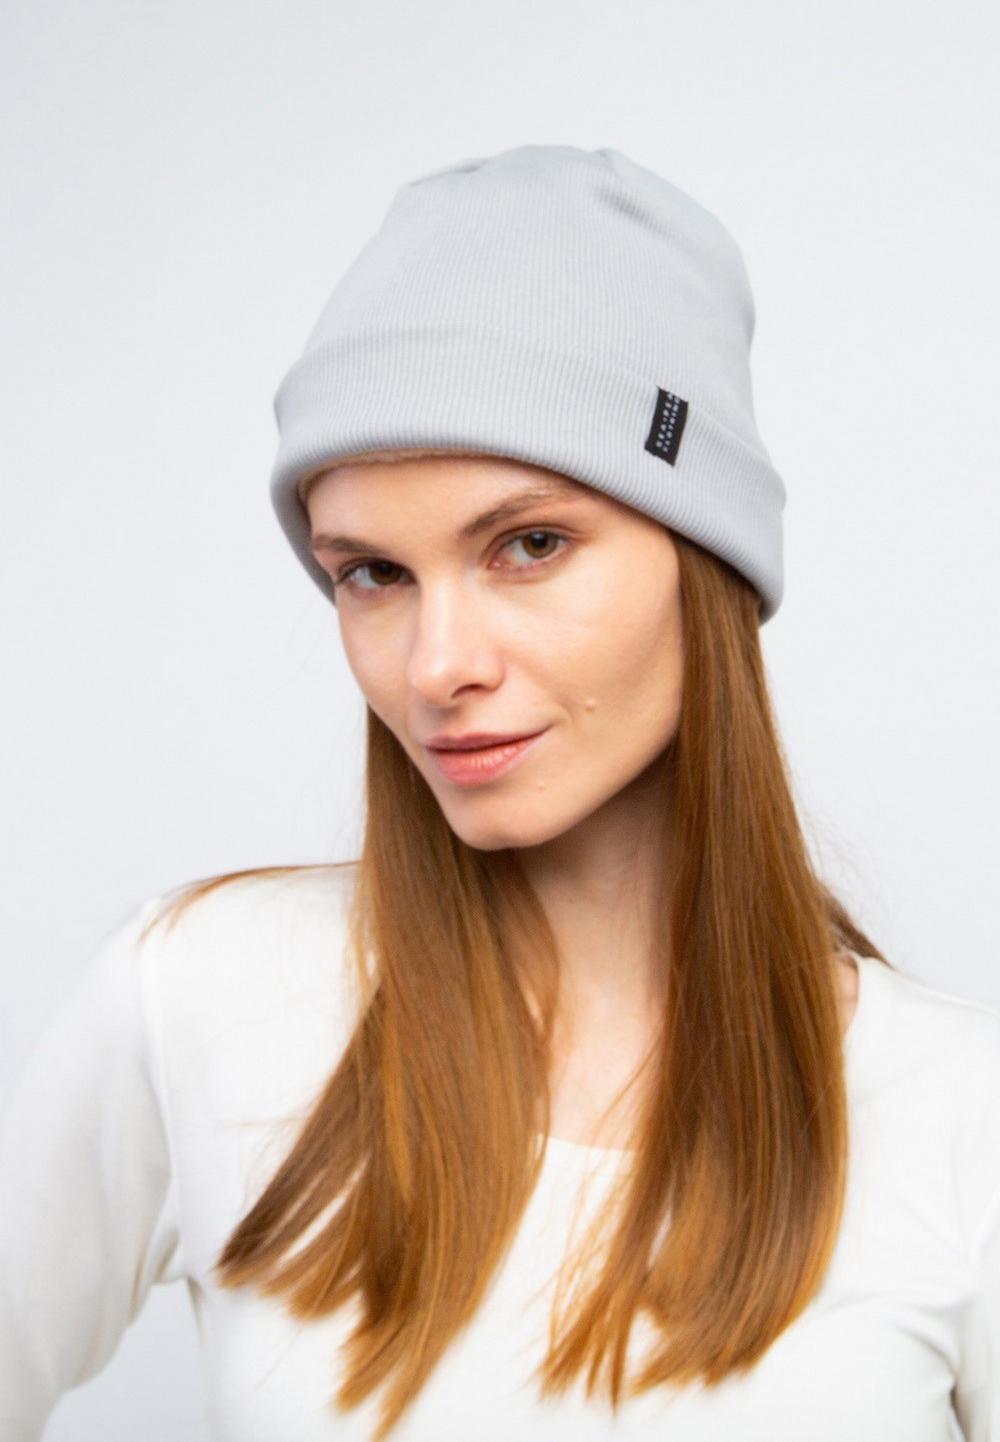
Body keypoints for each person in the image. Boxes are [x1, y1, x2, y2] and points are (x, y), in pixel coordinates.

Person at [0, 145, 997, 1442]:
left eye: (529, 544)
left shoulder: (961, 1117)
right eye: (372, 573)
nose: (437, 667)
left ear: (705, 564)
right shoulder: (198, 999)